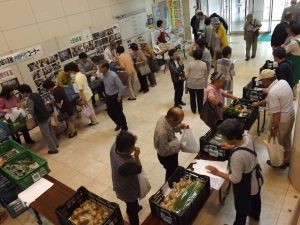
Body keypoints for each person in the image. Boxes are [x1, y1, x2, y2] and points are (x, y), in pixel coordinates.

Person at [206, 119, 263, 225]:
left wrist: (217, 172)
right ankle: (255, 215)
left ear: (231, 138)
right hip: (255, 175)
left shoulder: (237, 156)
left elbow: (235, 179)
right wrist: (231, 146)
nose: (222, 138)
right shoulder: (247, 136)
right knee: (255, 197)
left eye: (223, 136)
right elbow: (243, 146)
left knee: (242, 209)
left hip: (246, 185)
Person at [252, 69, 295, 168]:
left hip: (281, 119)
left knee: (277, 141)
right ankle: (287, 159)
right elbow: (273, 98)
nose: (262, 82)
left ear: (267, 79)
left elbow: (276, 114)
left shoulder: (273, 92)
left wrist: (274, 129)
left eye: (262, 80)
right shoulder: (283, 82)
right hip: (290, 114)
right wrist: (258, 103)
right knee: (286, 138)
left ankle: (279, 162)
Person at [110, 131, 142, 225]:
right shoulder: (124, 165)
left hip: (119, 182)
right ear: (126, 150)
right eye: (133, 146)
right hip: (126, 189)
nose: (134, 147)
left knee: (130, 204)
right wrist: (136, 155)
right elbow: (138, 169)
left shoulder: (115, 146)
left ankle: (131, 209)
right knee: (132, 208)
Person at [18, 84, 58, 154]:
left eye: (21, 93)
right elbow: (42, 102)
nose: (21, 95)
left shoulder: (30, 99)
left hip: (41, 118)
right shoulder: (36, 94)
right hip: (46, 114)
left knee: (46, 134)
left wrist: (24, 109)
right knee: (50, 131)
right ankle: (56, 144)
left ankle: (53, 149)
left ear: (24, 92)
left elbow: (31, 111)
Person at [154, 107, 188, 181]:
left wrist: (179, 127)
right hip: (167, 158)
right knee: (172, 174)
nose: (180, 123)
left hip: (170, 153)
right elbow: (164, 151)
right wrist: (178, 145)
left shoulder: (165, 118)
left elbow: (172, 127)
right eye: (179, 122)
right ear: (171, 119)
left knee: (172, 171)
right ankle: (169, 187)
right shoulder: (162, 133)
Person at [95, 60, 128, 131]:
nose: (99, 70)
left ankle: (124, 127)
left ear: (105, 68)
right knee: (110, 112)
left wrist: (119, 97)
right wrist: (96, 77)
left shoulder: (113, 75)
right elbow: (101, 79)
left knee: (118, 112)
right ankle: (118, 124)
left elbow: (121, 87)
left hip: (115, 96)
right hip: (108, 96)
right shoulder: (103, 75)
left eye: (100, 68)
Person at [185, 49, 208, 114]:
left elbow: (186, 75)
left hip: (191, 84)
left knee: (192, 98)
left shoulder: (190, 64)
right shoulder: (204, 64)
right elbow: (206, 75)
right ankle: (200, 111)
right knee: (200, 98)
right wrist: (206, 84)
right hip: (200, 84)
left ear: (193, 56)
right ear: (201, 56)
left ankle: (193, 110)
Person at [284, 23, 300, 99]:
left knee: (292, 77)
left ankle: (293, 95)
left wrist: (283, 46)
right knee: (296, 77)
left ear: (292, 32)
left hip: (293, 61)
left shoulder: (294, 42)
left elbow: (284, 51)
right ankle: (294, 92)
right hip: (298, 61)